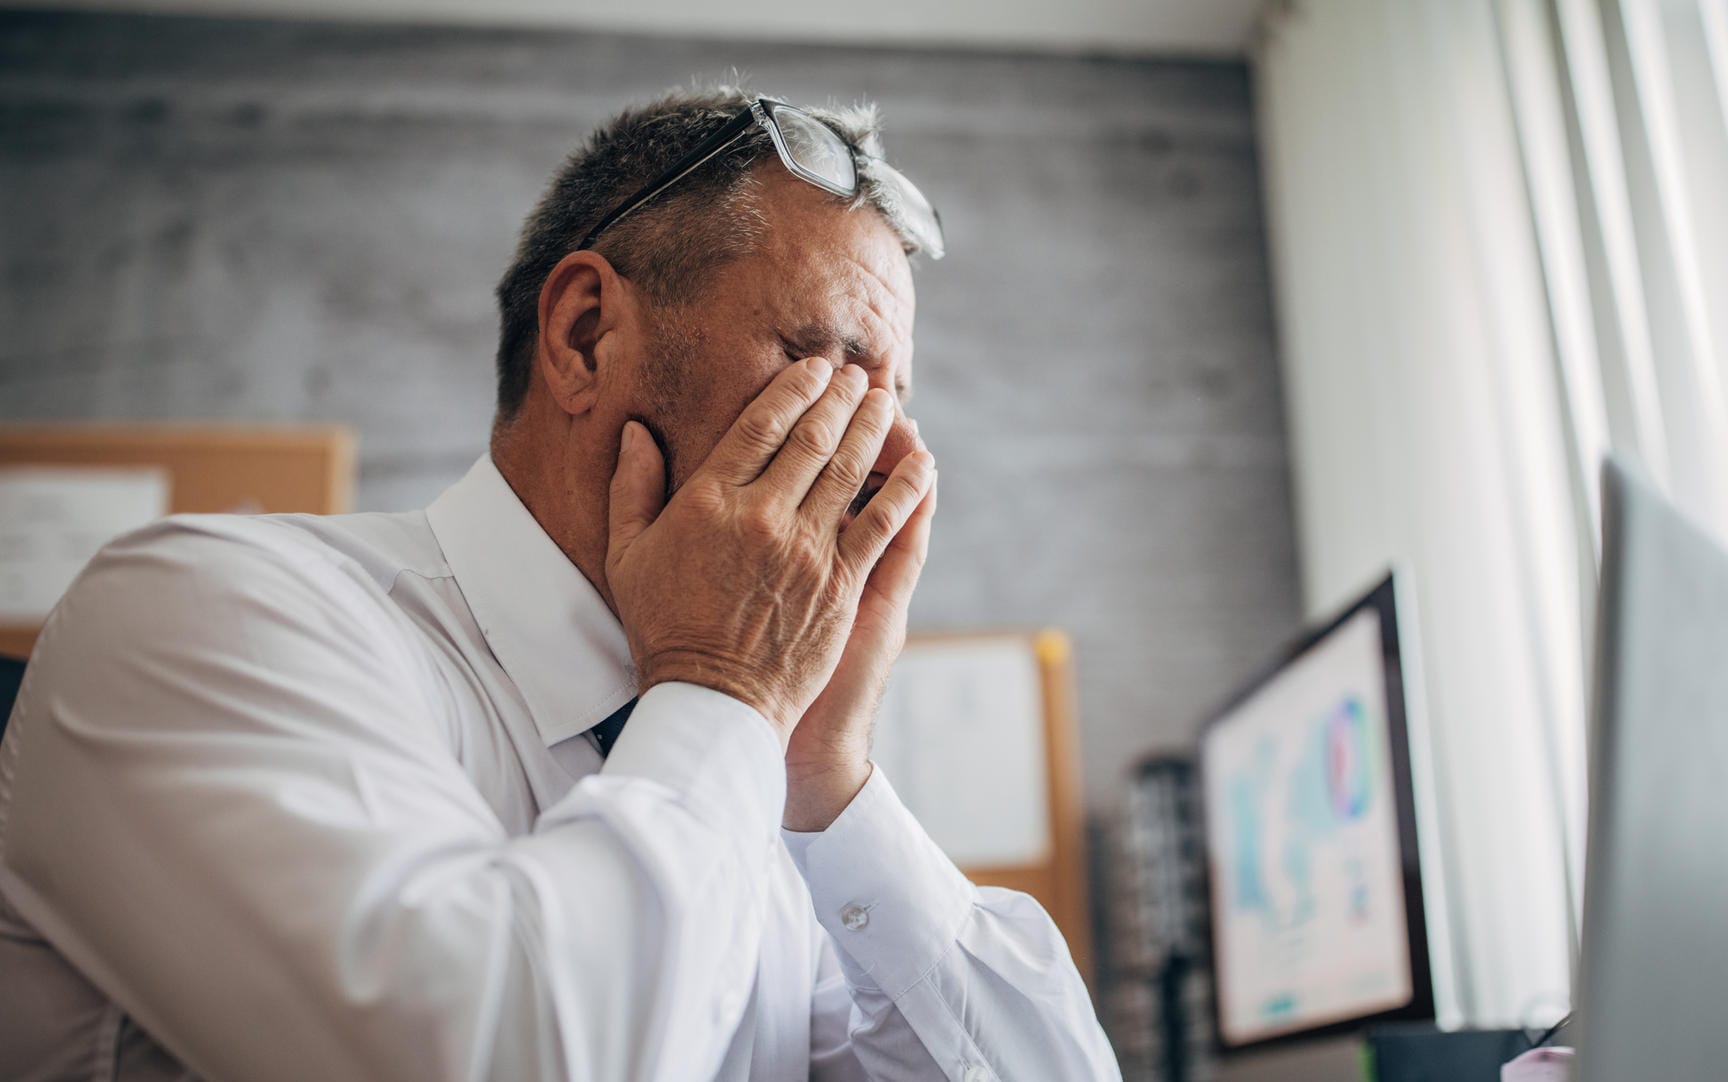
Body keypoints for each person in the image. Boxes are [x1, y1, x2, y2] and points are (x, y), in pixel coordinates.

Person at [0, 88, 1121, 1082]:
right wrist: (725, 683)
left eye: (894, 398)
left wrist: (823, 772)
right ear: (585, 335)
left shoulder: (747, 779)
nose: (878, 453)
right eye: (825, 367)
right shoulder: (208, 613)